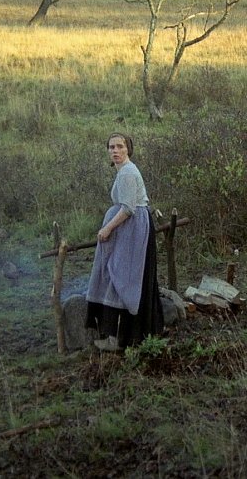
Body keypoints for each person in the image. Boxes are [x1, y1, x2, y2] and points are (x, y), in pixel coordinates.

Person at [85, 132, 163, 351]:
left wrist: (108, 228)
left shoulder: (128, 172)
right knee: (121, 275)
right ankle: (123, 336)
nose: (115, 151)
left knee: (122, 276)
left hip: (133, 230)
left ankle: (122, 338)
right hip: (130, 229)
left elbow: (128, 208)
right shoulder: (123, 171)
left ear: (128, 149)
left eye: (120, 146)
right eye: (111, 147)